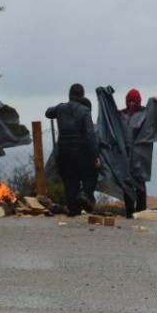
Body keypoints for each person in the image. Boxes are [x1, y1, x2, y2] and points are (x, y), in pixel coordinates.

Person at [45, 83, 101, 216]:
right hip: (80, 152)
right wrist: (96, 156)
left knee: (70, 182)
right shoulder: (84, 110)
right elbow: (89, 135)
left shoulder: (60, 108)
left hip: (63, 153)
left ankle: (74, 211)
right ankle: (85, 193)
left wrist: (60, 107)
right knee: (91, 174)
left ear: (69, 95)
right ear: (83, 95)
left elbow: (48, 113)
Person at [119, 89, 157, 216]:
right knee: (127, 183)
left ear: (138, 101)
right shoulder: (122, 114)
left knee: (140, 181)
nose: (131, 103)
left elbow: (154, 117)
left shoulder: (144, 113)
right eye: (129, 100)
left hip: (139, 154)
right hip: (125, 153)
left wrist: (155, 103)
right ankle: (129, 212)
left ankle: (141, 211)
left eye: (133, 100)